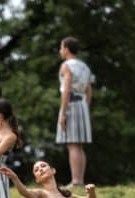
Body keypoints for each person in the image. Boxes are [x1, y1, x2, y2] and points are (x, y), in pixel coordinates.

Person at [55, 37, 93, 187]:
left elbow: (66, 89)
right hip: (82, 104)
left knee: (72, 144)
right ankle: (80, 180)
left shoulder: (66, 66)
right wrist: (85, 107)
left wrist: (63, 113)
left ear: (66, 49)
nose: (60, 51)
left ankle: (76, 181)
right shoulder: (85, 67)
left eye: (61, 47)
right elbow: (89, 91)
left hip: (71, 103)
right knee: (79, 145)